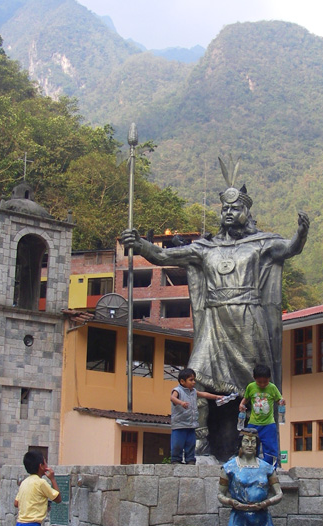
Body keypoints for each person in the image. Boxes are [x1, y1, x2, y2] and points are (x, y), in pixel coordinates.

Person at [122, 158, 309, 460]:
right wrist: (141, 245)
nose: (230, 213)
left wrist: (301, 233)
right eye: (225, 209)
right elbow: (162, 255)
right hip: (213, 324)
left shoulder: (261, 244)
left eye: (236, 208)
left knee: (254, 385)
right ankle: (201, 442)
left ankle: (254, 445)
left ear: (247, 212)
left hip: (248, 323)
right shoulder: (203, 248)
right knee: (198, 377)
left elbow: (289, 249)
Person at [171, 368, 226, 464]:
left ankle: (190, 460)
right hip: (179, 425)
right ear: (182, 381)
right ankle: (176, 459)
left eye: (194, 380)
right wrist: (181, 403)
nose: (194, 382)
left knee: (191, 443)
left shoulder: (193, 392)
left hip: (191, 425)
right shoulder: (177, 390)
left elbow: (204, 394)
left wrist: (216, 397)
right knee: (178, 444)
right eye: (191, 380)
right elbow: (172, 398)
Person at [239, 363, 284, 467]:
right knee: (251, 446)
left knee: (270, 447)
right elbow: (246, 399)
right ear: (254, 378)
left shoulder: (272, 388)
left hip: (269, 424)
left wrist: (282, 402)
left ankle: (270, 469)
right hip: (253, 424)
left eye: (265, 382)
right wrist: (241, 404)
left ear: (269, 378)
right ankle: (252, 465)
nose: (263, 384)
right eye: (260, 382)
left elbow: (279, 399)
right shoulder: (251, 387)